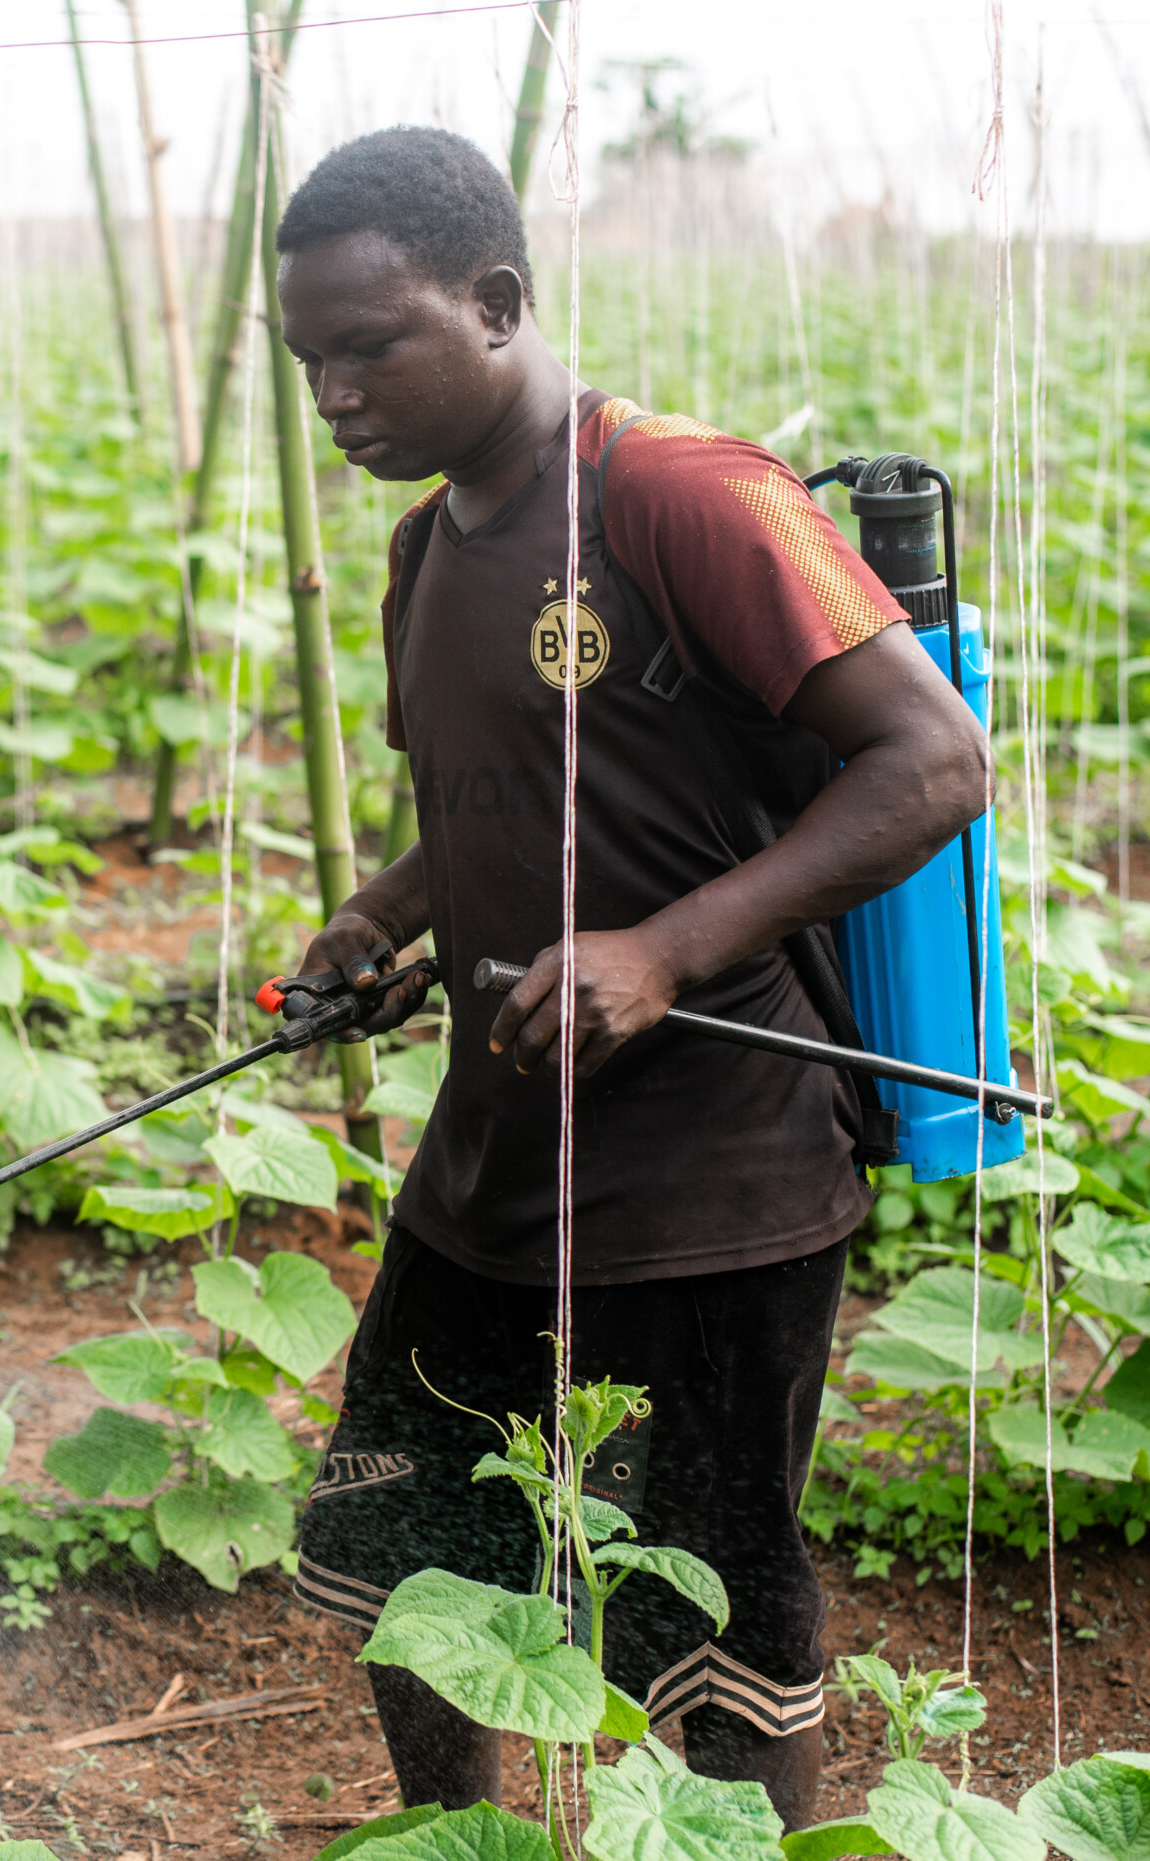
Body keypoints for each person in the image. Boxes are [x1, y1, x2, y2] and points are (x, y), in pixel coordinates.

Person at [270, 128, 988, 1827]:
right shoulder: (424, 550)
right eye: (311, 361)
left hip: (714, 1186)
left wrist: (664, 951)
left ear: (500, 301)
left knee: (710, 1624)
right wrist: (383, 920)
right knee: (402, 1559)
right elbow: (509, 808)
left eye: (374, 345)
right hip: (490, 1170)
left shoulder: (682, 492)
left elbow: (933, 763)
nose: (338, 395)